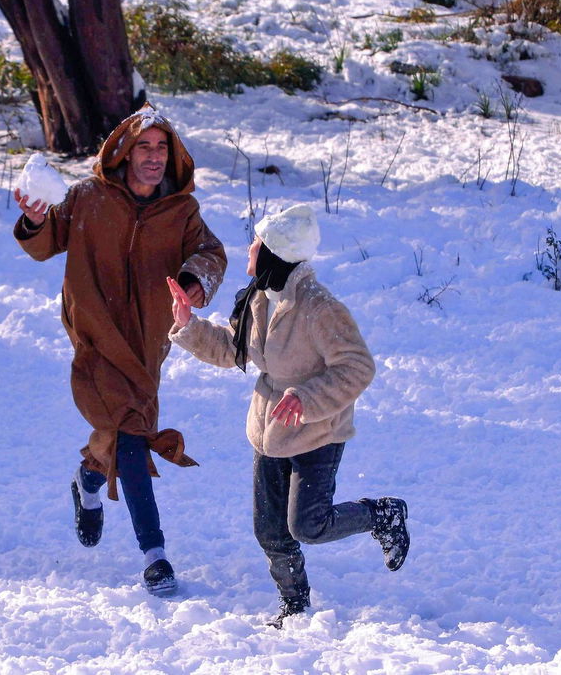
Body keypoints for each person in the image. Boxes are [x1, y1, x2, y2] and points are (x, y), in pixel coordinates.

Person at [13, 103, 226, 596]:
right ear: (123, 153)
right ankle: (155, 555)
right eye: (143, 147)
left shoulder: (182, 211)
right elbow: (45, 242)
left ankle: (89, 477)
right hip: (94, 338)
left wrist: (196, 282)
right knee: (131, 432)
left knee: (124, 429)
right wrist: (34, 220)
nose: (152, 157)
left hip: (149, 345)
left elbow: (211, 254)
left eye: (161, 148)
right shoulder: (88, 197)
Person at [166, 203, 409, 628]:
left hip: (318, 432)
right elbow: (233, 350)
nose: (249, 247)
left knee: (308, 525)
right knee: (270, 532)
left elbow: (358, 368)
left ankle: (382, 514)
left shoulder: (320, 308)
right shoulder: (260, 297)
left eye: (256, 242)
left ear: (275, 252)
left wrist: (306, 397)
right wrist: (189, 324)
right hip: (271, 431)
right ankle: (295, 607)